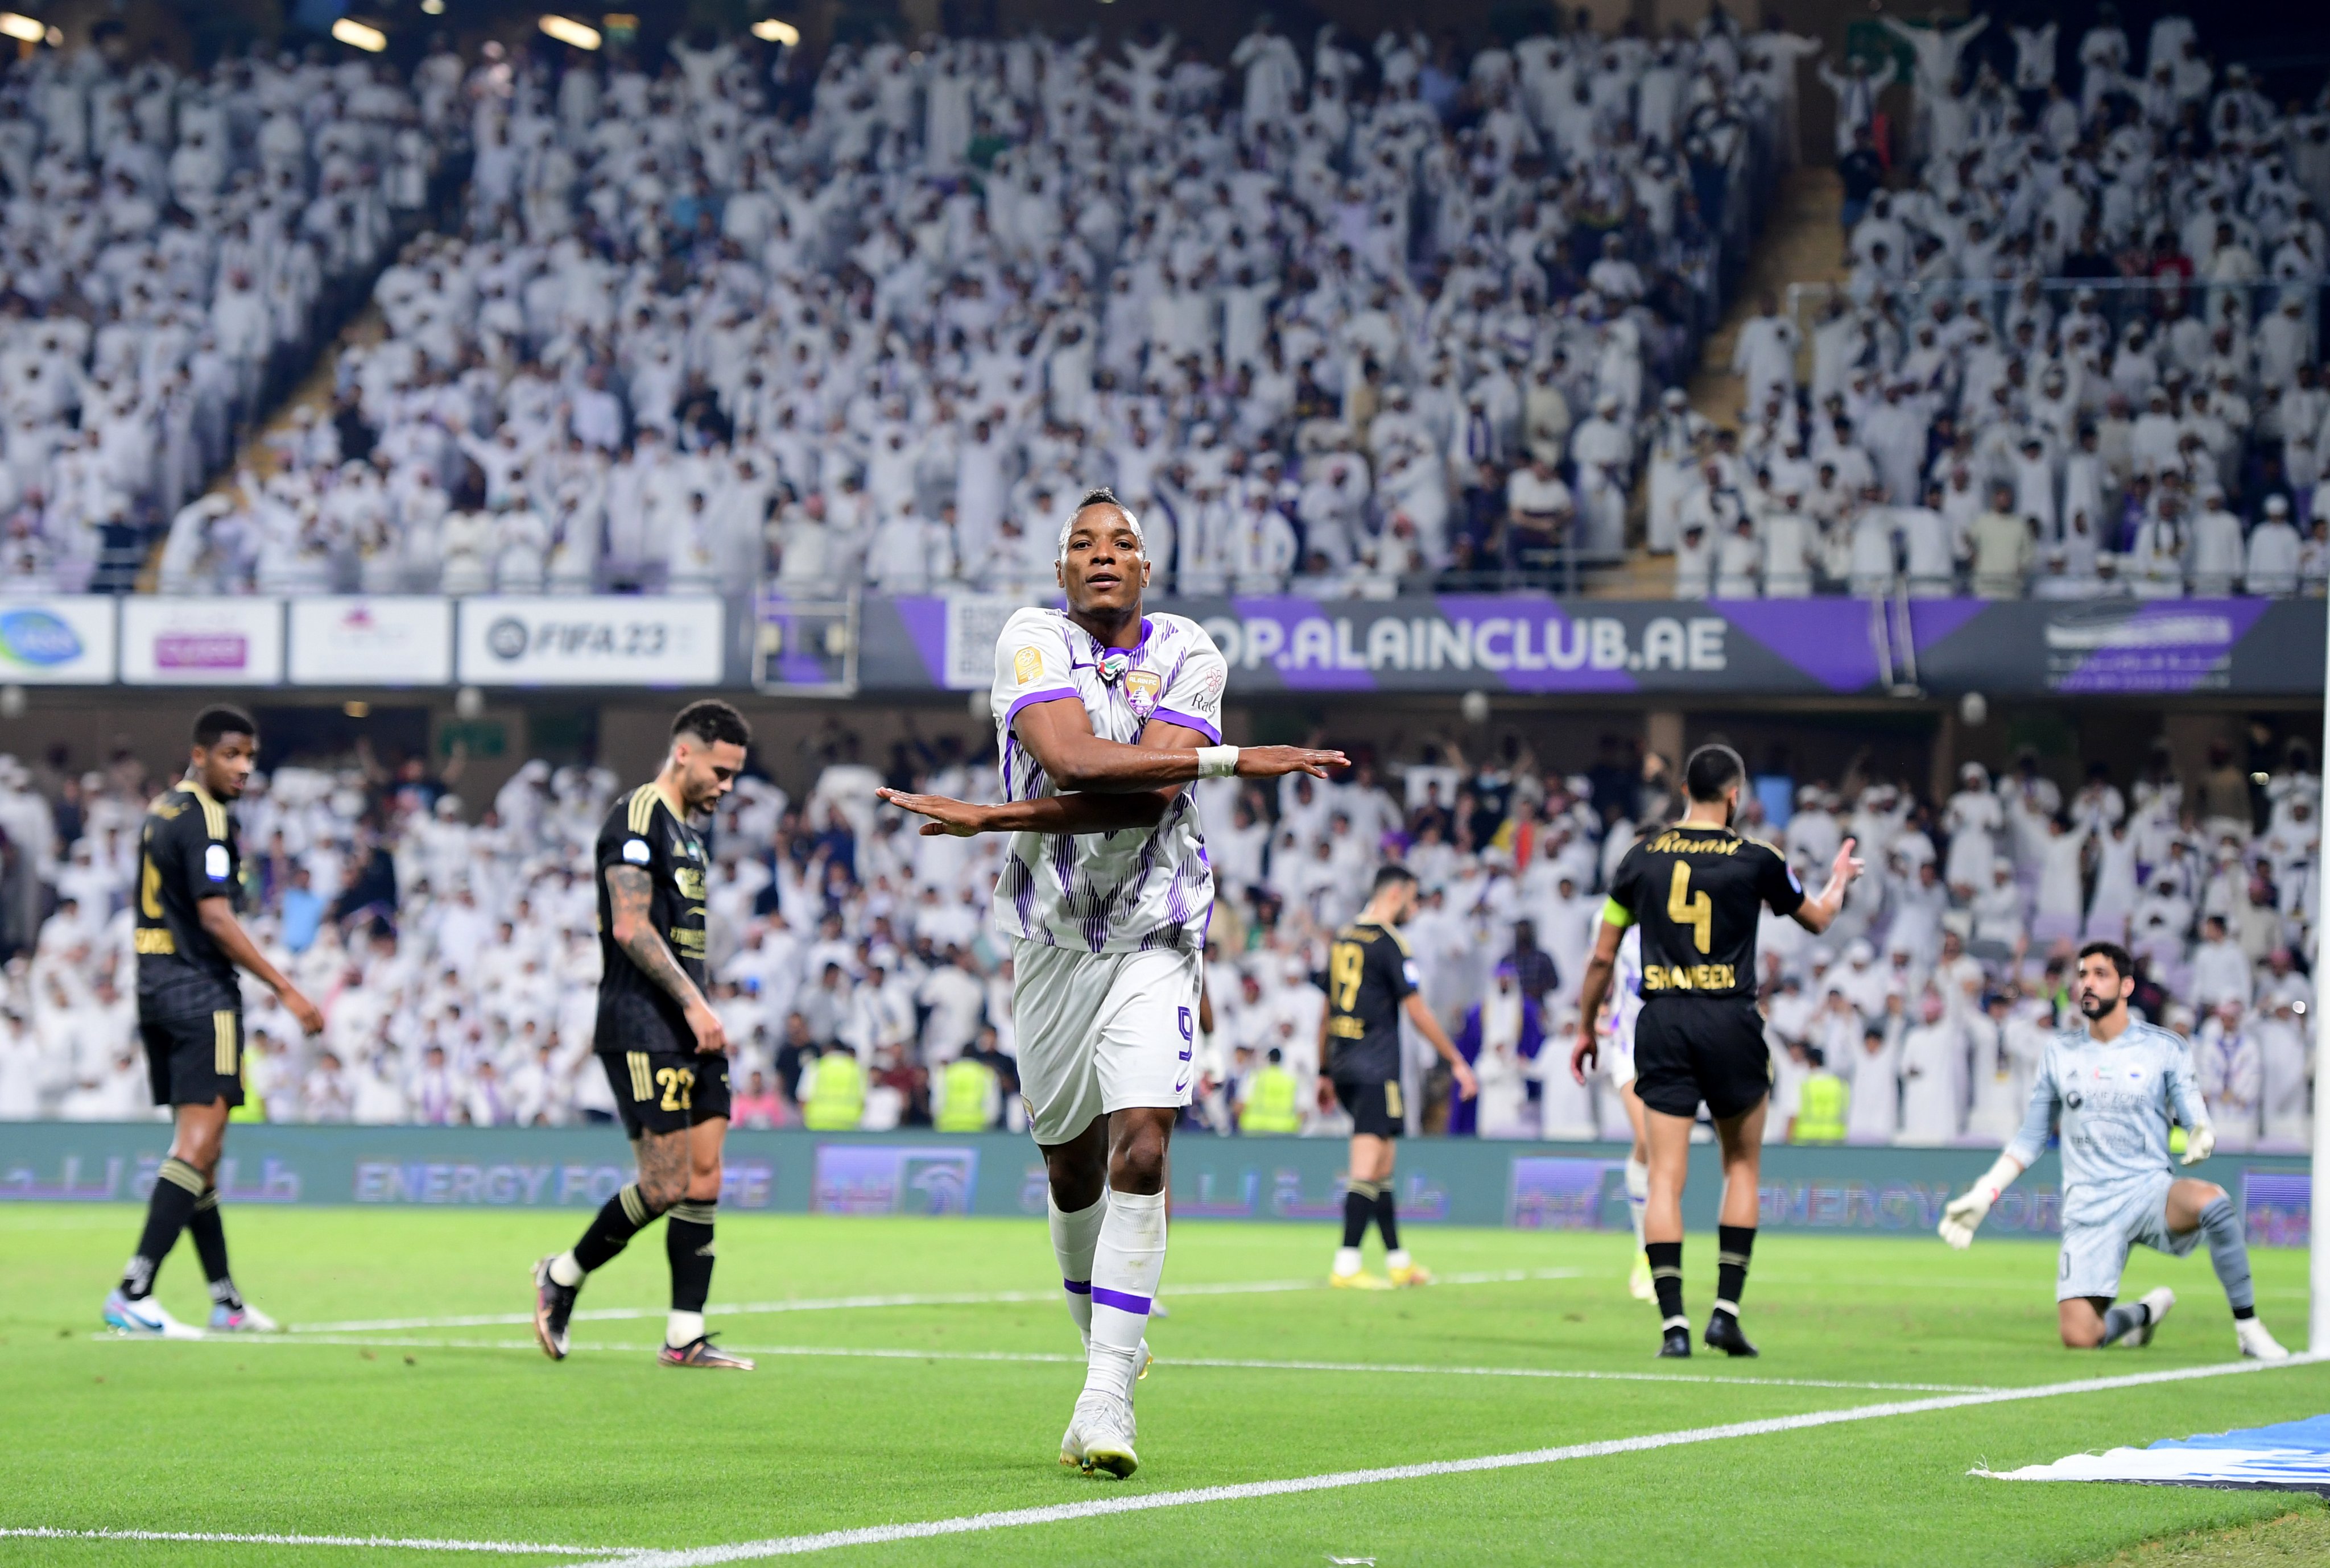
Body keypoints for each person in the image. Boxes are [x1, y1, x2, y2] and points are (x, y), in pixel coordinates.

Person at [878, 487, 1342, 1479]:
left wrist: (991, 817)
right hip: (1050, 941)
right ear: (1060, 570)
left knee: (1143, 1146)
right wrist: (1233, 762)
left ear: (1145, 567)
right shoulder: (1030, 639)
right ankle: (1106, 1348)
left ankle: (1105, 1393)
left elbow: (1150, 797)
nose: (1103, 553)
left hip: (1156, 931)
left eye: (1122, 542)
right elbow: (1068, 762)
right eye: (1083, 543)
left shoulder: (1191, 651)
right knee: (1071, 1170)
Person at [1569, 742, 1862, 1358]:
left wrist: (1584, 1026)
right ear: (1735, 795)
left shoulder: (1640, 859)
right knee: (1741, 1166)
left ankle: (1673, 1328)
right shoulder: (1756, 857)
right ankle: (1725, 1314)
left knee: (1664, 1175)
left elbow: (1601, 957)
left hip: (1663, 1021)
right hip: (1731, 1018)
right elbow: (1817, 919)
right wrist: (1838, 881)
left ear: (1683, 790)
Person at [531, 700, 756, 1371]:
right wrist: (693, 1006)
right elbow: (630, 928)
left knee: (706, 1174)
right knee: (663, 1184)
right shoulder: (635, 818)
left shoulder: (689, 832)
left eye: (735, 775)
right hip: (641, 1024)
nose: (727, 786)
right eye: (720, 771)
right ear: (684, 753)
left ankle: (685, 1335)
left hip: (693, 1022)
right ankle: (562, 1276)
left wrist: (700, 1009)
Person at [1937, 942, 2288, 1360]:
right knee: (2080, 1337)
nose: (2087, 983)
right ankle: (2144, 1313)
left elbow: (2194, 1110)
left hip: (2149, 1191)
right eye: (2083, 974)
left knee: (2214, 1202)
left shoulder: (2164, 1047)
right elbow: (2030, 1138)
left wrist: (2201, 1131)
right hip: (2090, 1208)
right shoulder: (2059, 1053)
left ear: (2126, 986)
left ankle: (2248, 1328)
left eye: (2100, 974)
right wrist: (1985, 1192)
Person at [104, 706, 327, 1338]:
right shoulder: (207, 817)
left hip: (155, 988)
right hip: (201, 994)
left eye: (250, 756)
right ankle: (134, 1289)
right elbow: (215, 917)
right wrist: (287, 989)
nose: (244, 768)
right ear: (199, 754)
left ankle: (226, 1300)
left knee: (205, 1154)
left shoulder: (162, 809)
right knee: (197, 1146)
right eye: (231, 755)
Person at [1319, 864, 1478, 1289]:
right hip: (1375, 1066)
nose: (1415, 907)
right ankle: (1347, 1263)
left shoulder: (1343, 936)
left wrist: (1323, 1069)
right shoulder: (1390, 943)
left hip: (1344, 1062)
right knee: (1367, 1165)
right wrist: (1456, 1060)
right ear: (1396, 894)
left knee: (1383, 1164)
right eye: (1413, 898)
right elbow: (1417, 1010)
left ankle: (1398, 1260)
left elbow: (1326, 1008)